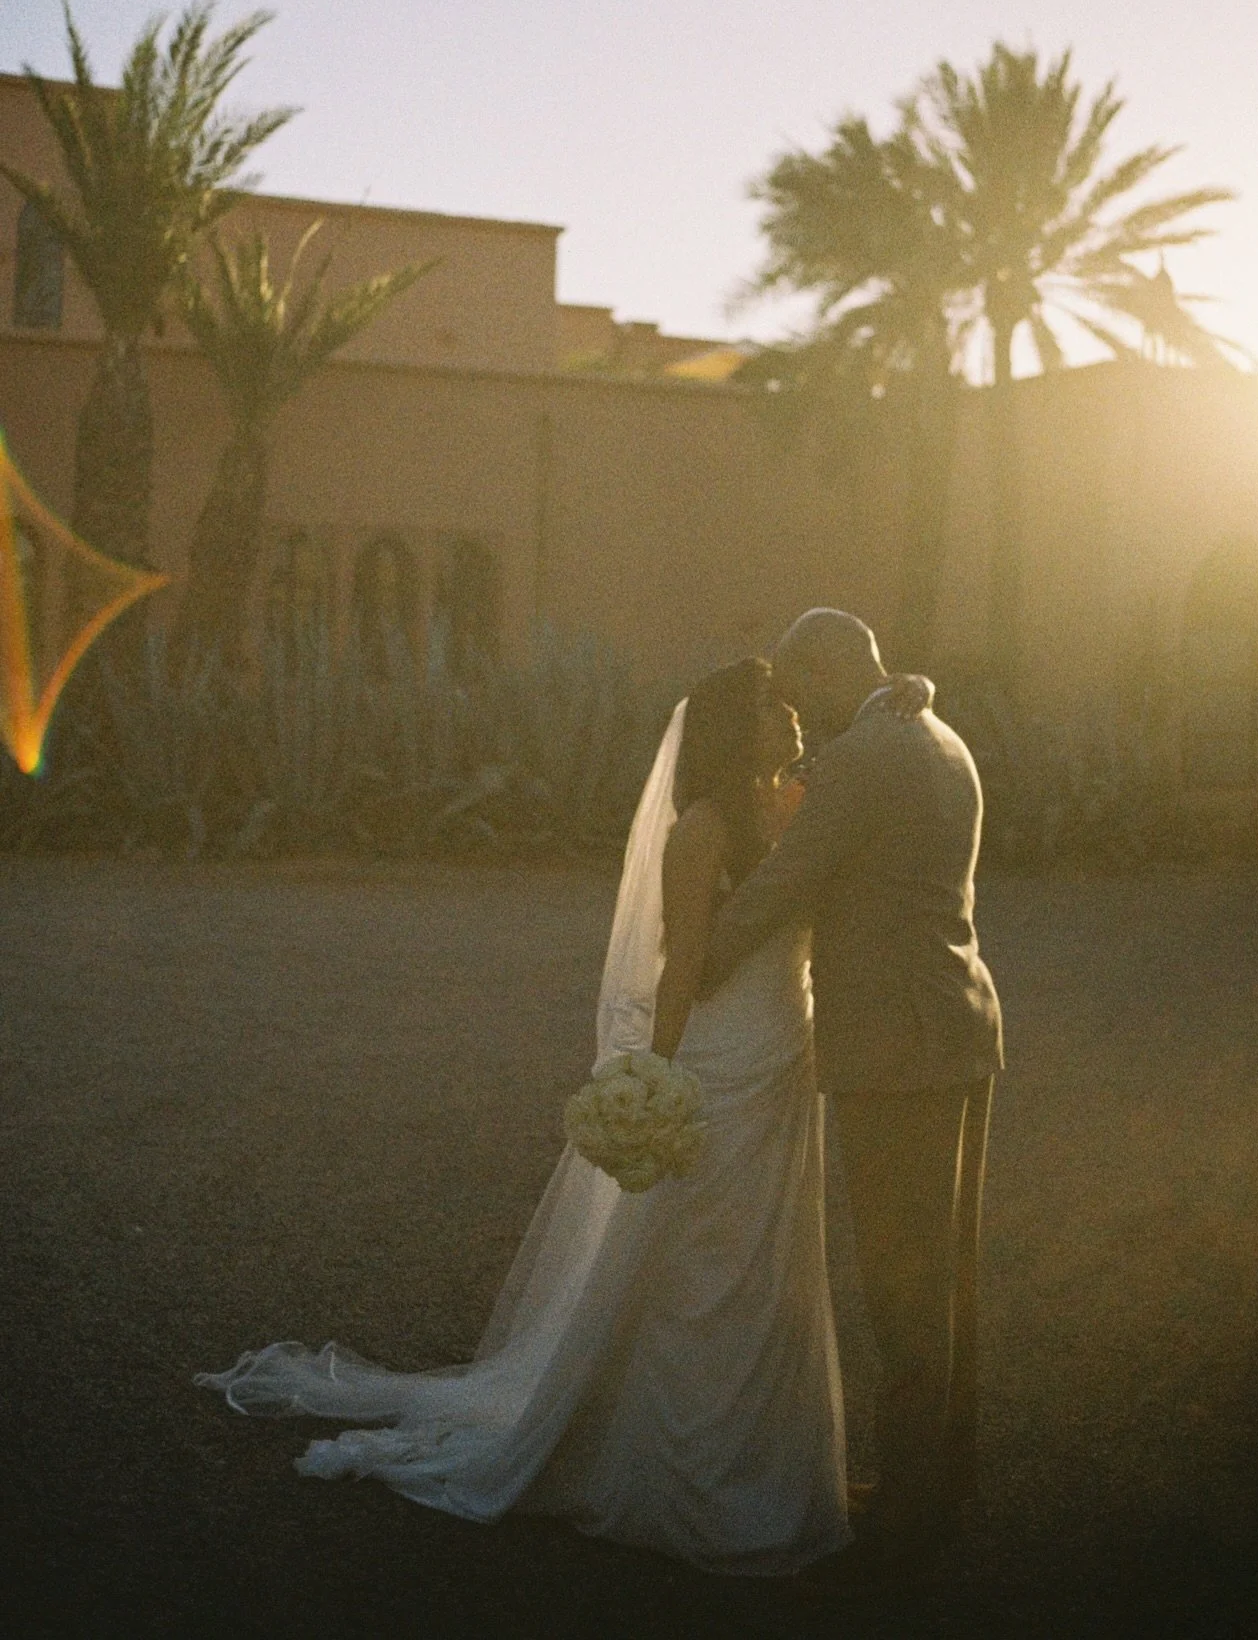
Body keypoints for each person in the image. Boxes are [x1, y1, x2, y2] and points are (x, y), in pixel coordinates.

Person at [197, 656, 929, 1576]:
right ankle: (684, 1472)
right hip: (726, 1068)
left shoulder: (790, 809)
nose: (790, 718)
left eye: (791, 704)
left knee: (772, 1271)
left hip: (784, 1063)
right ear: (732, 731)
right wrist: (656, 1082)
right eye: (769, 708)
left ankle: (766, 1467)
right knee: (707, 1269)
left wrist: (912, 694)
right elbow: (687, 966)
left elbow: (865, 768)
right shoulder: (700, 831)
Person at [700, 609, 1002, 1571]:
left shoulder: (867, 755)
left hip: (898, 1051)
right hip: (958, 1027)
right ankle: (940, 1477)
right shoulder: (938, 735)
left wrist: (692, 964)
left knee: (901, 1279)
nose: (798, 715)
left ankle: (910, 1515)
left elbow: (789, 878)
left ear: (831, 672)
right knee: (942, 1273)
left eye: (799, 693)